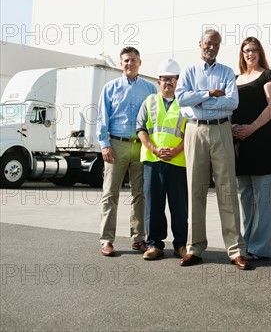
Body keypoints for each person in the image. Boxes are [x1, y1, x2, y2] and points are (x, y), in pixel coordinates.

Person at [175, 29, 251, 270]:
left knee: (227, 189)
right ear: (200, 44)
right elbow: (181, 100)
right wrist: (209, 93)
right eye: (208, 43)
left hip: (220, 131)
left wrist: (198, 99)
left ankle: (236, 250)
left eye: (216, 44)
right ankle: (194, 248)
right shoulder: (188, 71)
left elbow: (232, 102)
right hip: (195, 131)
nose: (212, 47)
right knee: (195, 189)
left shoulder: (227, 72)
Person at [98, 46, 157, 257]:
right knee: (110, 194)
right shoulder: (110, 88)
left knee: (139, 194)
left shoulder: (150, 90)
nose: (129, 64)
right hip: (116, 145)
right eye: (125, 61)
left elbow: (155, 119)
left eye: (133, 60)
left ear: (139, 62)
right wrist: (104, 144)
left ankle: (138, 238)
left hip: (141, 146)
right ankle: (106, 240)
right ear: (121, 64)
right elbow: (102, 118)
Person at [231, 37, 271, 260]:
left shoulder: (268, 76)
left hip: (261, 142)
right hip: (240, 143)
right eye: (246, 50)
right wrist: (231, 126)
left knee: (262, 199)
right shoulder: (234, 78)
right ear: (242, 54)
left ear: (260, 53)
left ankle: (259, 248)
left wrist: (252, 128)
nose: (250, 54)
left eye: (254, 50)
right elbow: (228, 106)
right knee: (245, 197)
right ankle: (246, 243)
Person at [136, 58, 188, 261]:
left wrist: (175, 151)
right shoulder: (149, 102)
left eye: (173, 79)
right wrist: (155, 150)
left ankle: (181, 244)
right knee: (153, 206)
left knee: (179, 207)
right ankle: (154, 245)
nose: (169, 82)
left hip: (178, 162)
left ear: (178, 81)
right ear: (159, 82)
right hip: (153, 161)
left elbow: (190, 132)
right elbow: (141, 130)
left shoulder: (185, 104)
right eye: (165, 79)